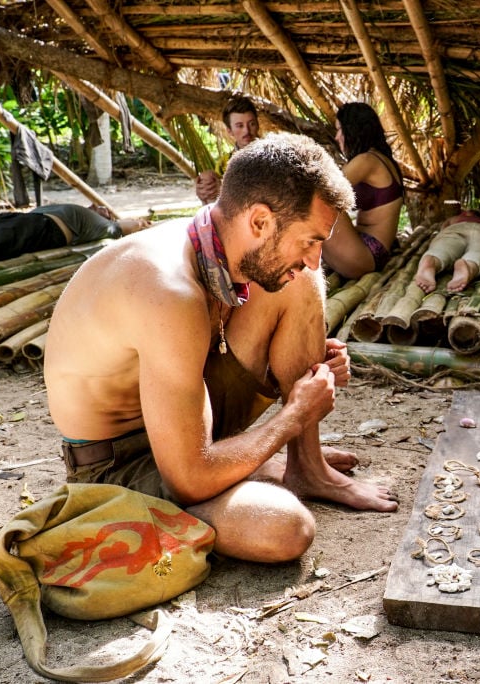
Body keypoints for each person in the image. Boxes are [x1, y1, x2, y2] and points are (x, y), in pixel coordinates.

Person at [44, 133, 398, 564]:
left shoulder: (215, 241)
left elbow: (215, 341)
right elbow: (188, 479)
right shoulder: (165, 289)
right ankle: (244, 469)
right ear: (260, 222)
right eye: (309, 240)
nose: (313, 256)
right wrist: (295, 414)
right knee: (284, 529)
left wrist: (305, 359)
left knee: (298, 282)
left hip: (191, 422)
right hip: (123, 464)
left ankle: (307, 468)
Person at [321, 103, 404, 279]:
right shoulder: (380, 158)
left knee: (316, 200)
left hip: (366, 253)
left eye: (339, 130)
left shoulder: (367, 160)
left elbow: (324, 188)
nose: (337, 137)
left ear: (351, 131)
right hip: (368, 250)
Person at [0, 203, 150, 267]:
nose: (99, 206)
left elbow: (133, 225)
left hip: (43, 227)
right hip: (19, 218)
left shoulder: (108, 226)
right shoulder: (88, 216)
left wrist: (139, 223)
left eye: (105, 211)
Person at [414, 209, 480, 293]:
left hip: (456, 228)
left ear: (466, 213)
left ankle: (434, 260)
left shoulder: (455, 219)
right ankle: (469, 265)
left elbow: (442, 231)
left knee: (443, 247)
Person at [195, 95, 261, 205]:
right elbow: (218, 205)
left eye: (251, 124)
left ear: (258, 125)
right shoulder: (224, 164)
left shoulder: (273, 157)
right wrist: (205, 193)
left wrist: (225, 190)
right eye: (239, 126)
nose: (246, 131)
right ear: (229, 131)